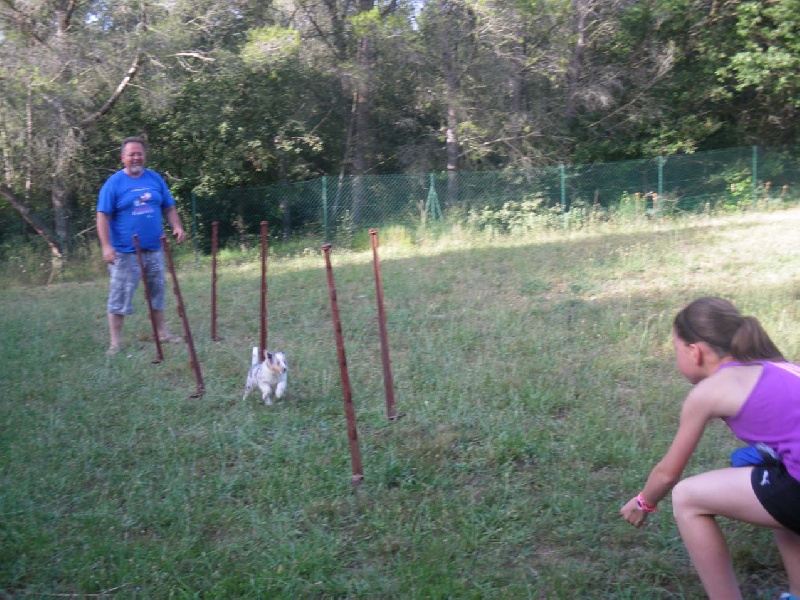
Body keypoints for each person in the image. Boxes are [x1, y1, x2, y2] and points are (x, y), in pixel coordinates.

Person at [620, 296, 800, 599]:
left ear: (695, 351)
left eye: (676, 350)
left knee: (687, 498)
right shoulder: (777, 366)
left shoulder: (709, 393)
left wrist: (643, 503)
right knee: (772, 481)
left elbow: (667, 474)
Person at [96, 136, 186, 356]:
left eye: (139, 153)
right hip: (125, 253)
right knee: (120, 296)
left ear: (144, 156)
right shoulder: (114, 183)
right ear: (123, 158)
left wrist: (177, 226)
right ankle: (115, 343)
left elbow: (169, 207)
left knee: (158, 292)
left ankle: (162, 332)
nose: (136, 157)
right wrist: (106, 247)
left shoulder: (155, 179)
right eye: (131, 154)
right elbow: (102, 216)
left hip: (154, 248)